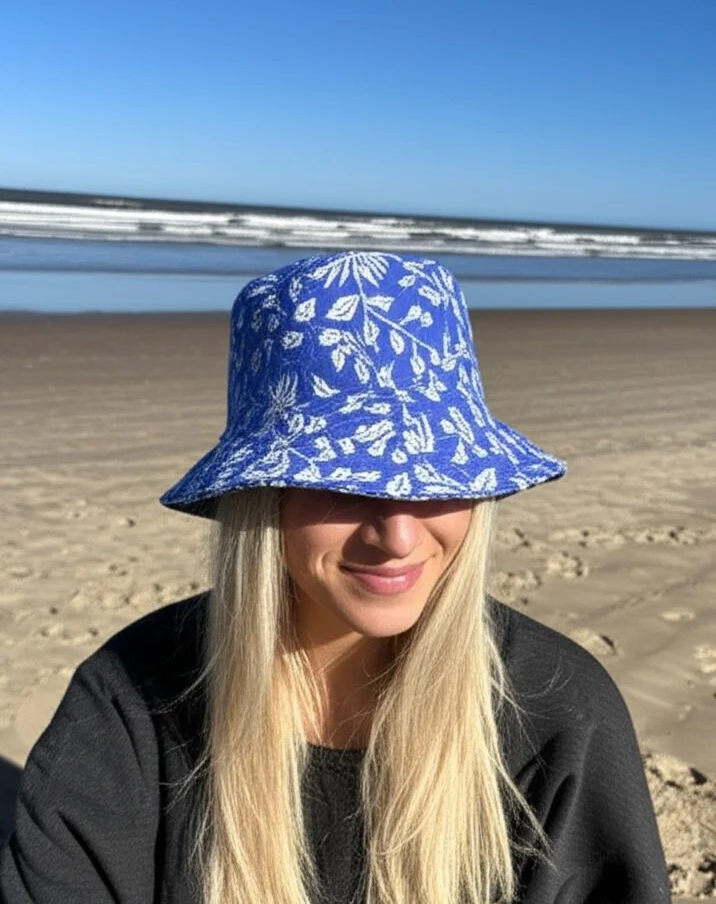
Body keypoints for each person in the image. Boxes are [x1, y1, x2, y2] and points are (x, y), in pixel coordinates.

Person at [0, 251, 670, 904]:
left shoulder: (561, 714)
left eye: (437, 475)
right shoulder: (129, 707)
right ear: (264, 492)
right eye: (344, 480)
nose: (398, 536)